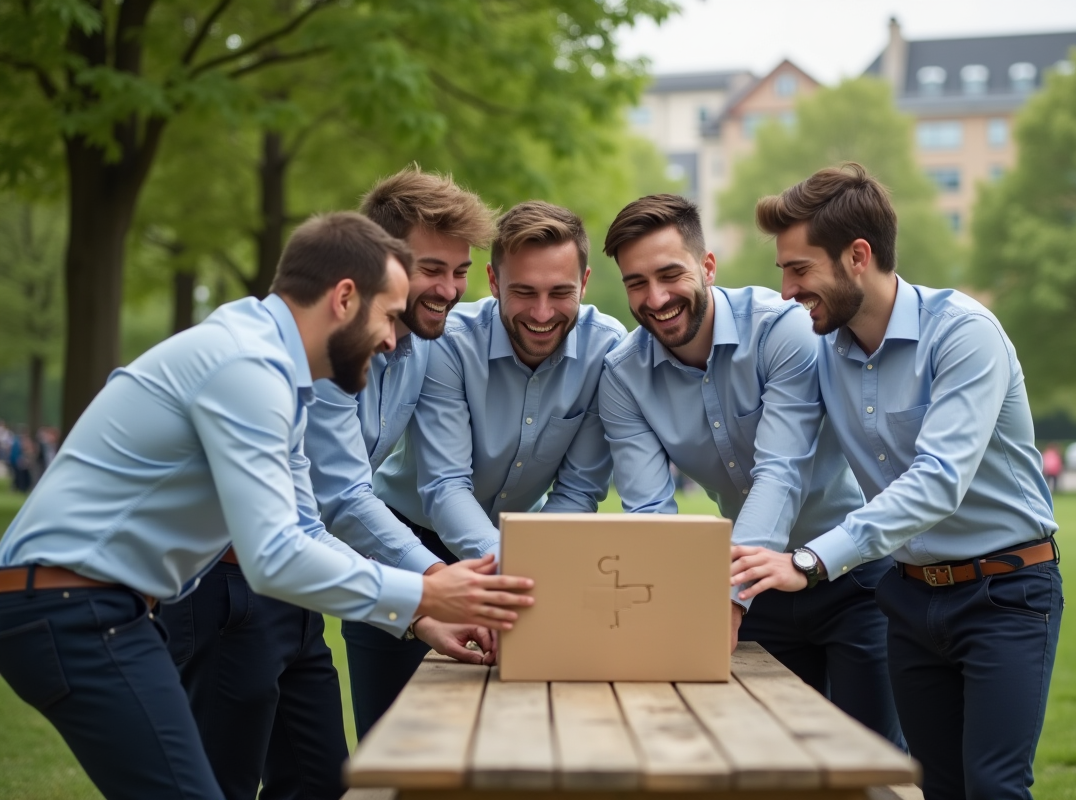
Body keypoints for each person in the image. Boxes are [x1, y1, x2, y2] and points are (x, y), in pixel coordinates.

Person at [0, 212, 533, 800]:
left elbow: (304, 530)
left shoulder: (277, 373)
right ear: (344, 298)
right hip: (67, 609)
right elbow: (273, 559)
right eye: (386, 316)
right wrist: (426, 590)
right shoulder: (247, 366)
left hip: (103, 610)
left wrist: (416, 614)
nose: (390, 339)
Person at [748, 164, 1062, 800]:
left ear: (857, 256)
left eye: (798, 269)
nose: (785, 291)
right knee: (934, 786)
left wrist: (811, 561)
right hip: (909, 597)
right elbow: (780, 461)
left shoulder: (963, 334)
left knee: (994, 787)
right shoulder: (825, 353)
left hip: (1006, 592)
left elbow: (939, 480)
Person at [597, 194, 903, 746]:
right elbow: (649, 510)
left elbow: (781, 472)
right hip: (756, 587)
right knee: (767, 754)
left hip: (853, 577)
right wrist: (682, 607)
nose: (656, 298)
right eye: (636, 283)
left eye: (670, 274)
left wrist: (727, 599)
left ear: (708, 266)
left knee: (872, 756)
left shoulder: (783, 330)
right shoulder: (622, 376)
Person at [366, 200, 626, 713]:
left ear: (586, 281)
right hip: (406, 546)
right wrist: (512, 574)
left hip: (527, 554)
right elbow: (444, 486)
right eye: (524, 292)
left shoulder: (608, 352)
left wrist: (529, 572)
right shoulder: (446, 345)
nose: (542, 313)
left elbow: (577, 492)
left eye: (561, 292)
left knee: (519, 726)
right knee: (393, 742)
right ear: (492, 280)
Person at [303, 168, 498, 739]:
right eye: (430, 269)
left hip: (296, 580)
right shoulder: (330, 347)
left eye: (460, 271)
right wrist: (436, 583)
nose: (449, 289)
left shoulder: (418, 350)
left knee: (319, 780)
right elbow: (342, 496)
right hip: (222, 578)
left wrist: (420, 613)